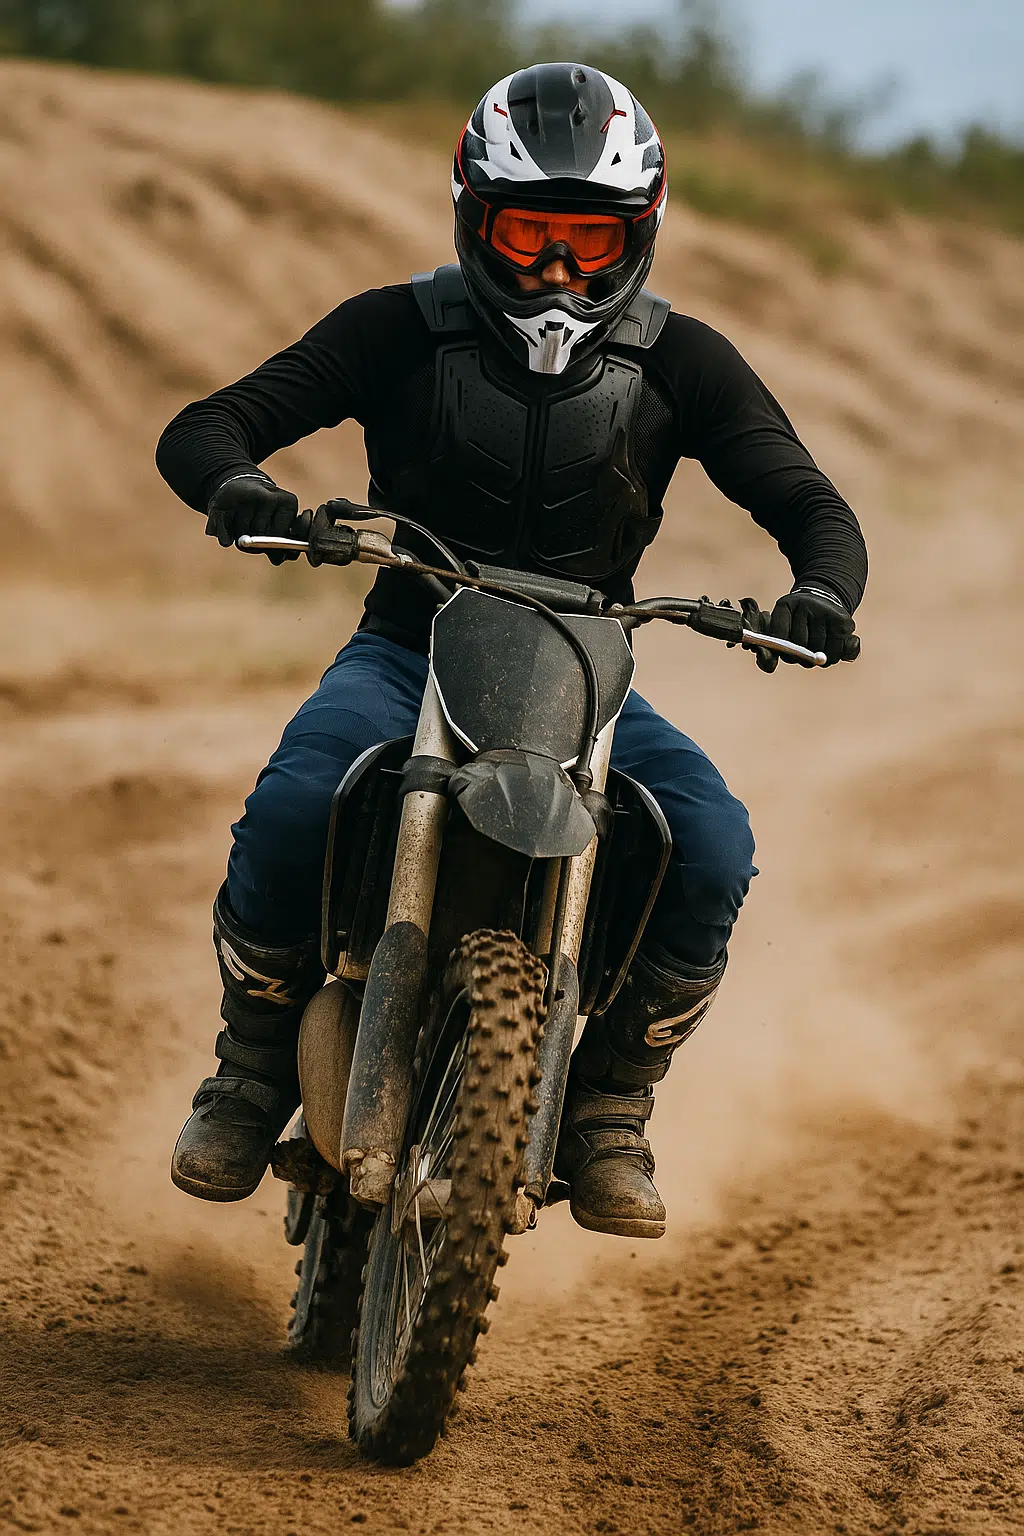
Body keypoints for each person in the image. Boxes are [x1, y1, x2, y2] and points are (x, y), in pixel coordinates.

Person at [156, 62, 866, 1240]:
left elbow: (812, 507)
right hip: (406, 647)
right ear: (473, 215)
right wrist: (242, 485)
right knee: (290, 809)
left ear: (637, 237)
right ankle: (248, 1069)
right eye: (530, 231)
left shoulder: (683, 362)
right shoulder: (396, 327)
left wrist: (820, 593)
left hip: (588, 676)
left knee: (713, 850)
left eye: (587, 243)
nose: (553, 269)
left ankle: (607, 1110)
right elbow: (207, 423)